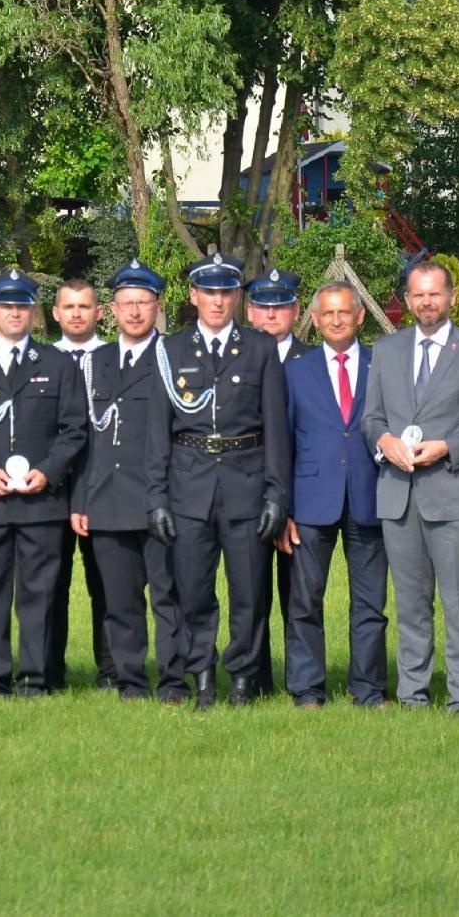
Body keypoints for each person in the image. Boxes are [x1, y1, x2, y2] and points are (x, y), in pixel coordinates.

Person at [145, 253, 290, 708]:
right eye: (209, 292)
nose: (218, 300)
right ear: (193, 296)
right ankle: (203, 677)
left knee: (249, 591)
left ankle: (243, 679)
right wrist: (157, 499)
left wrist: (276, 495)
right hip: (188, 485)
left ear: (237, 297)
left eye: (226, 292)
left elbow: (276, 430)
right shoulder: (170, 352)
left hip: (246, 483)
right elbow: (156, 432)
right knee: (193, 590)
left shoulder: (260, 348)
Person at [362, 260, 459, 715]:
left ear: (452, 298)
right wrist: (384, 442)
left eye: (434, 294)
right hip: (398, 495)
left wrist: (448, 446)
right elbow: (372, 419)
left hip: (453, 492)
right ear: (407, 300)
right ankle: (412, 694)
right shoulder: (386, 349)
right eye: (418, 295)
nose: (426, 302)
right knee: (410, 604)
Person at [0, 268, 86, 696]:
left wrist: (49, 469)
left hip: (42, 503)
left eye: (22, 306)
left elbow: (74, 429)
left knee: (39, 596)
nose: (14, 313)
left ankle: (36, 678)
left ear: (34, 312)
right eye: (6, 306)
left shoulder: (59, 364)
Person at [69, 261, 187, 702]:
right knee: (119, 602)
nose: (135, 312)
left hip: (160, 500)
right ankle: (130, 681)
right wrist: (80, 500)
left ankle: (173, 680)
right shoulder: (92, 363)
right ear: (112, 309)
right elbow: (82, 438)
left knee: (167, 598)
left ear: (157, 307)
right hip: (106, 501)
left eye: (143, 303)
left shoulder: (172, 356)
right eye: (126, 303)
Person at [277, 282, 389, 708]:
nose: (337, 320)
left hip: (370, 497)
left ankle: (370, 689)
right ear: (316, 319)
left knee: (370, 604)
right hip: (310, 500)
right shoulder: (295, 370)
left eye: (345, 312)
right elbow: (283, 441)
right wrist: (284, 508)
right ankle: (307, 689)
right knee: (304, 602)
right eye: (328, 314)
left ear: (361, 316)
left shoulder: (382, 365)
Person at [244, 267, 310, 696]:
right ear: (250, 312)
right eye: (264, 307)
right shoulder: (237, 357)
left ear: (296, 310)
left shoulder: (312, 362)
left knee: (299, 595)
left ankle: (302, 680)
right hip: (247, 492)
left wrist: (290, 504)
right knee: (251, 591)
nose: (272, 316)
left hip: (302, 498)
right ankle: (255, 677)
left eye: (280, 307)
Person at [48, 277, 111, 691]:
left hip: (105, 485)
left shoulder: (115, 358)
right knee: (50, 586)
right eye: (68, 307)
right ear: (55, 313)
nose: (75, 314)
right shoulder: (42, 360)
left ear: (99, 312)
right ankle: (49, 671)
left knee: (106, 585)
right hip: (50, 489)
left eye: (84, 307)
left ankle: (111, 670)